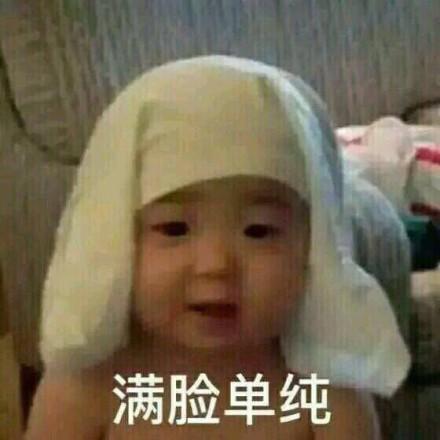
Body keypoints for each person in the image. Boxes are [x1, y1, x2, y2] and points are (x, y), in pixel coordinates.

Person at [25, 55, 410, 439]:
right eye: (174, 228)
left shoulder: (326, 392)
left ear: (313, 249)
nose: (216, 264)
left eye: (258, 230)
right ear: (111, 241)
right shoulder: (87, 388)